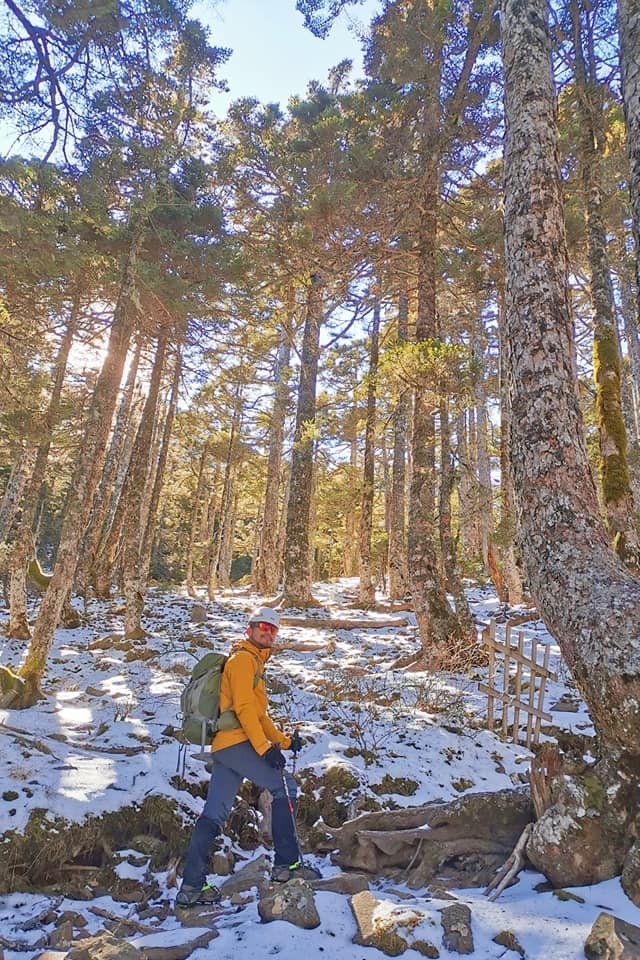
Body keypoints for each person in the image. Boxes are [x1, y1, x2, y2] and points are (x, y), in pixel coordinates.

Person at [176, 605, 320, 908]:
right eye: (262, 627)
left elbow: (259, 715)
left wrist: (282, 742)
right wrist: (264, 749)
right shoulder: (243, 660)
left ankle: (191, 887)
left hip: (227, 749)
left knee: (214, 813)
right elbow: (242, 709)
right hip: (235, 743)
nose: (267, 632)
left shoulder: (253, 663)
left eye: (273, 629)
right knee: (285, 788)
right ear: (249, 630)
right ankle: (287, 865)